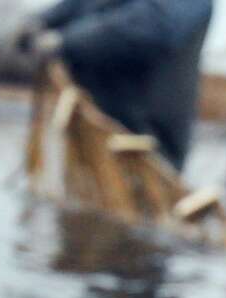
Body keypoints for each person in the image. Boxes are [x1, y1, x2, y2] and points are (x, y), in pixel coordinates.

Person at [17, 0, 214, 172]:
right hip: (94, 127)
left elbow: (152, 25)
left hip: (146, 139)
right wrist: (39, 21)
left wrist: (64, 40)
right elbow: (79, 4)